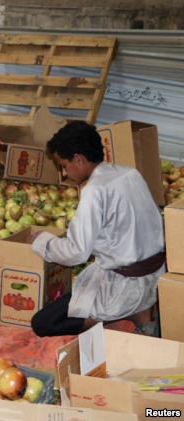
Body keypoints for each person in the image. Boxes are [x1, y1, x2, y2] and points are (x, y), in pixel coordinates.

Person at [30, 121, 164, 337]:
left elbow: (76, 252)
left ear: (79, 159)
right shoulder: (130, 173)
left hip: (125, 284)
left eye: (64, 165)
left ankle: (130, 312)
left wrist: (42, 242)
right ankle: (139, 309)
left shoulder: (94, 190)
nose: (64, 173)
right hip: (155, 274)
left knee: (42, 323)